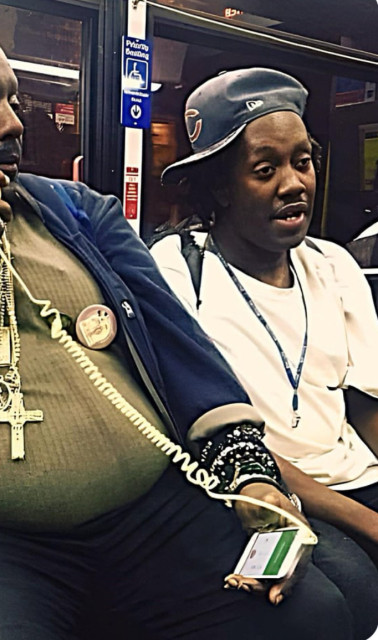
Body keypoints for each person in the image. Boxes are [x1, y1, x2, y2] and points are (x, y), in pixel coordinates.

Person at [0, 30, 371, 640]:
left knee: (313, 616)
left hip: (146, 519)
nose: (13, 124)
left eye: (14, 103)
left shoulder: (80, 217)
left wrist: (248, 471)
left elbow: (183, 353)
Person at [151, 68, 378, 580]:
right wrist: (368, 523)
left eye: (303, 162)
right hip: (259, 487)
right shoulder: (180, 271)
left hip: (357, 480)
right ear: (221, 188)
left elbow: (365, 405)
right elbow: (217, 434)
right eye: (264, 169)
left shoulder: (335, 265)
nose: (294, 184)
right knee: (348, 594)